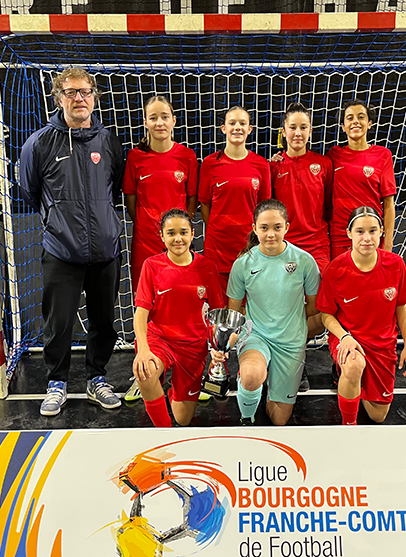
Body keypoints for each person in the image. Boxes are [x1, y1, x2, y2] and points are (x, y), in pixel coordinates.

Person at [19, 67, 125, 417]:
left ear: (94, 96)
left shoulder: (109, 141)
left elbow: (116, 186)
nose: (78, 98)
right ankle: (57, 383)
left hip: (106, 250)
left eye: (85, 91)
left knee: (104, 321)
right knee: (59, 323)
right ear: (58, 97)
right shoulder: (39, 143)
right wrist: (61, 222)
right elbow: (31, 191)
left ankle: (97, 378)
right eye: (70, 92)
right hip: (61, 251)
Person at [316, 206, 406, 425]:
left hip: (383, 344)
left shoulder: (395, 264)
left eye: (372, 231)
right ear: (349, 233)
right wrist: (344, 337)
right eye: (360, 231)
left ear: (381, 231)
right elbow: (326, 316)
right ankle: (348, 425)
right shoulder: (336, 269)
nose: (367, 238)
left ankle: (349, 382)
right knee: (353, 365)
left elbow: (402, 307)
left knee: (378, 416)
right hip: (349, 338)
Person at [226, 199, 320, 426]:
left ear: (286, 227)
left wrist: (295, 331)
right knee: (250, 377)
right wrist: (224, 346)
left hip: (290, 343)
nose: (270, 234)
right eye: (264, 228)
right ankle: (247, 417)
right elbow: (233, 313)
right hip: (256, 335)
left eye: (277, 227)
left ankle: (271, 384)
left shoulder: (305, 262)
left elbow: (315, 309)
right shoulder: (242, 264)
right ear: (254, 228)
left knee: (279, 420)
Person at [132, 209, 226, 427]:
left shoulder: (207, 268)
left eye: (183, 232)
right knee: (144, 372)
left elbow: (217, 316)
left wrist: (217, 348)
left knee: (183, 419)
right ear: (162, 236)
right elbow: (141, 314)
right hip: (161, 340)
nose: (178, 238)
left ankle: (175, 390)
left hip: (193, 347)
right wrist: (143, 350)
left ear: (193, 234)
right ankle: (165, 434)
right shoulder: (152, 266)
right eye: (171, 233)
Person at [123, 95, 199, 293]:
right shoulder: (134, 157)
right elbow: (130, 199)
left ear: (173, 120)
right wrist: (144, 221)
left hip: (177, 242)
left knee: (179, 296)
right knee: (145, 299)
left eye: (165, 117)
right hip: (145, 242)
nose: (159, 123)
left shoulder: (187, 156)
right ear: (145, 121)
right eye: (154, 117)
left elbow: (192, 198)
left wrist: (180, 225)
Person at [199, 106, 271, 288]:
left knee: (248, 308)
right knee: (218, 307)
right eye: (232, 123)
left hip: (250, 248)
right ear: (223, 128)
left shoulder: (261, 165)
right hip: (217, 248)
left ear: (250, 129)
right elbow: (204, 205)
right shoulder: (209, 164)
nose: (237, 127)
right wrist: (218, 228)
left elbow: (263, 208)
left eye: (242, 123)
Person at [327, 99, 397, 259]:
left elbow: (388, 205)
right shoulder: (333, 155)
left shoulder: (383, 155)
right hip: (340, 238)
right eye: (350, 118)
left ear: (370, 123)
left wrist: (388, 246)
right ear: (343, 127)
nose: (355, 122)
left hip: (370, 238)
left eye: (361, 117)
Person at [270, 102, 333, 275]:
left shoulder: (324, 164)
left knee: (318, 299)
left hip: (317, 246)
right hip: (283, 245)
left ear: (310, 131)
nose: (298, 133)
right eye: (292, 127)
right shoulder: (273, 167)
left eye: (303, 127)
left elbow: (328, 206)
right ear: (284, 131)